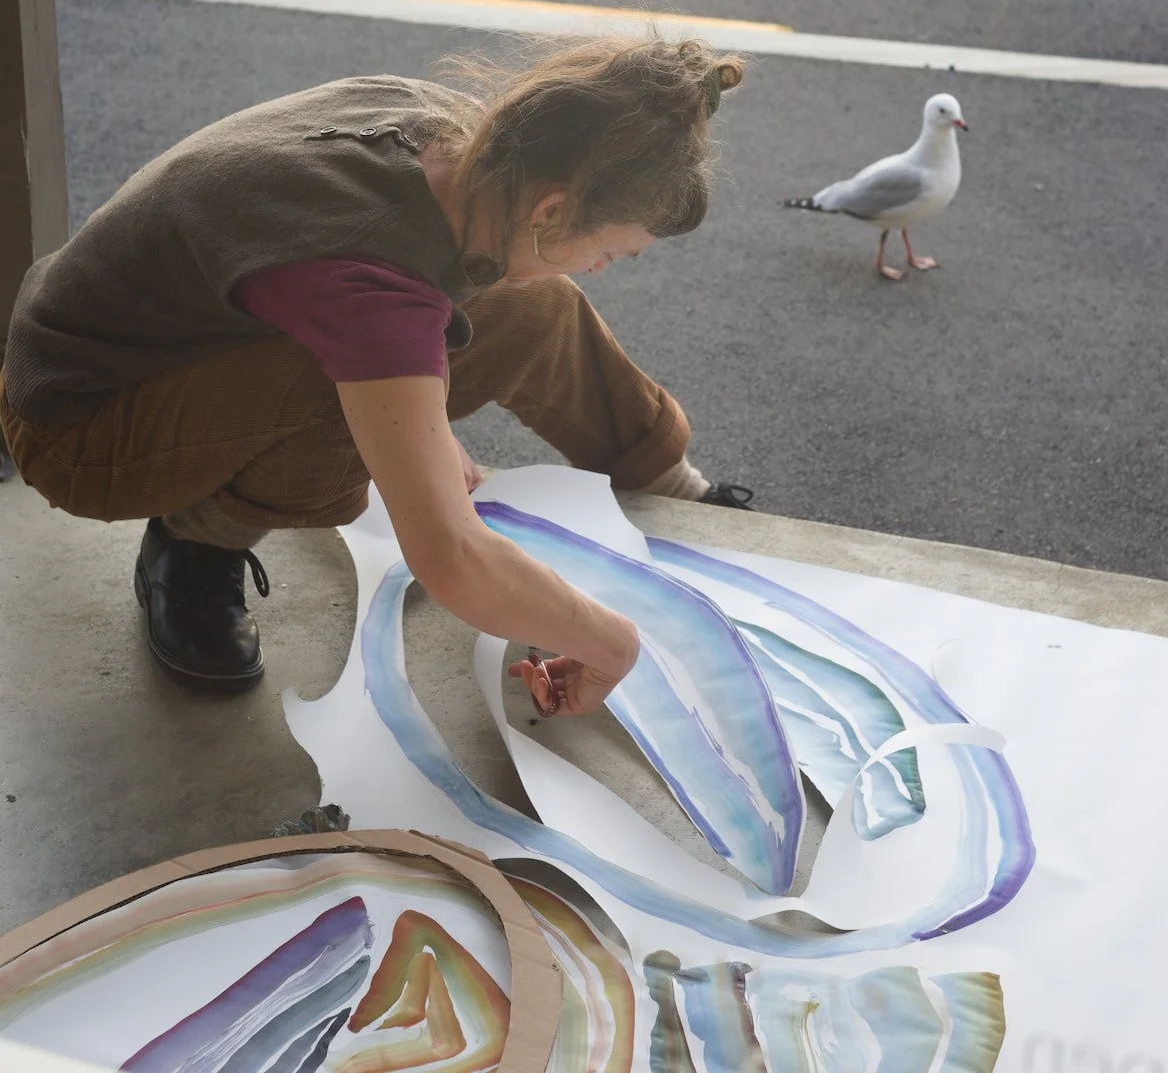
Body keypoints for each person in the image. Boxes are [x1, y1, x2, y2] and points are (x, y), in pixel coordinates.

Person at [0, 35, 752, 717]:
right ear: (551, 209)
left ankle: (671, 481)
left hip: (170, 333)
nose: (601, 268)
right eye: (610, 252)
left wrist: (412, 411)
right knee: (340, 384)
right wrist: (609, 641)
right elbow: (450, 557)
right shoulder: (364, 285)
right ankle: (196, 544)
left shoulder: (463, 134)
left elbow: (393, 299)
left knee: (538, 301)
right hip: (79, 419)